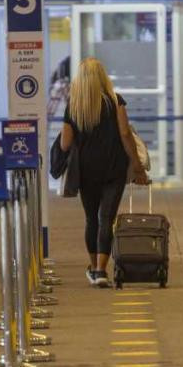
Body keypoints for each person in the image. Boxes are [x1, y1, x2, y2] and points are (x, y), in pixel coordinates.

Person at [59, 57, 149, 287]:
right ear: (102, 77)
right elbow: (125, 135)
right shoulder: (115, 101)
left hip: (86, 172)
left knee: (91, 218)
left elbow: (65, 145)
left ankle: (93, 268)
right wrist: (137, 166)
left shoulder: (74, 106)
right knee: (106, 219)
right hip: (113, 169)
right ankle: (100, 270)